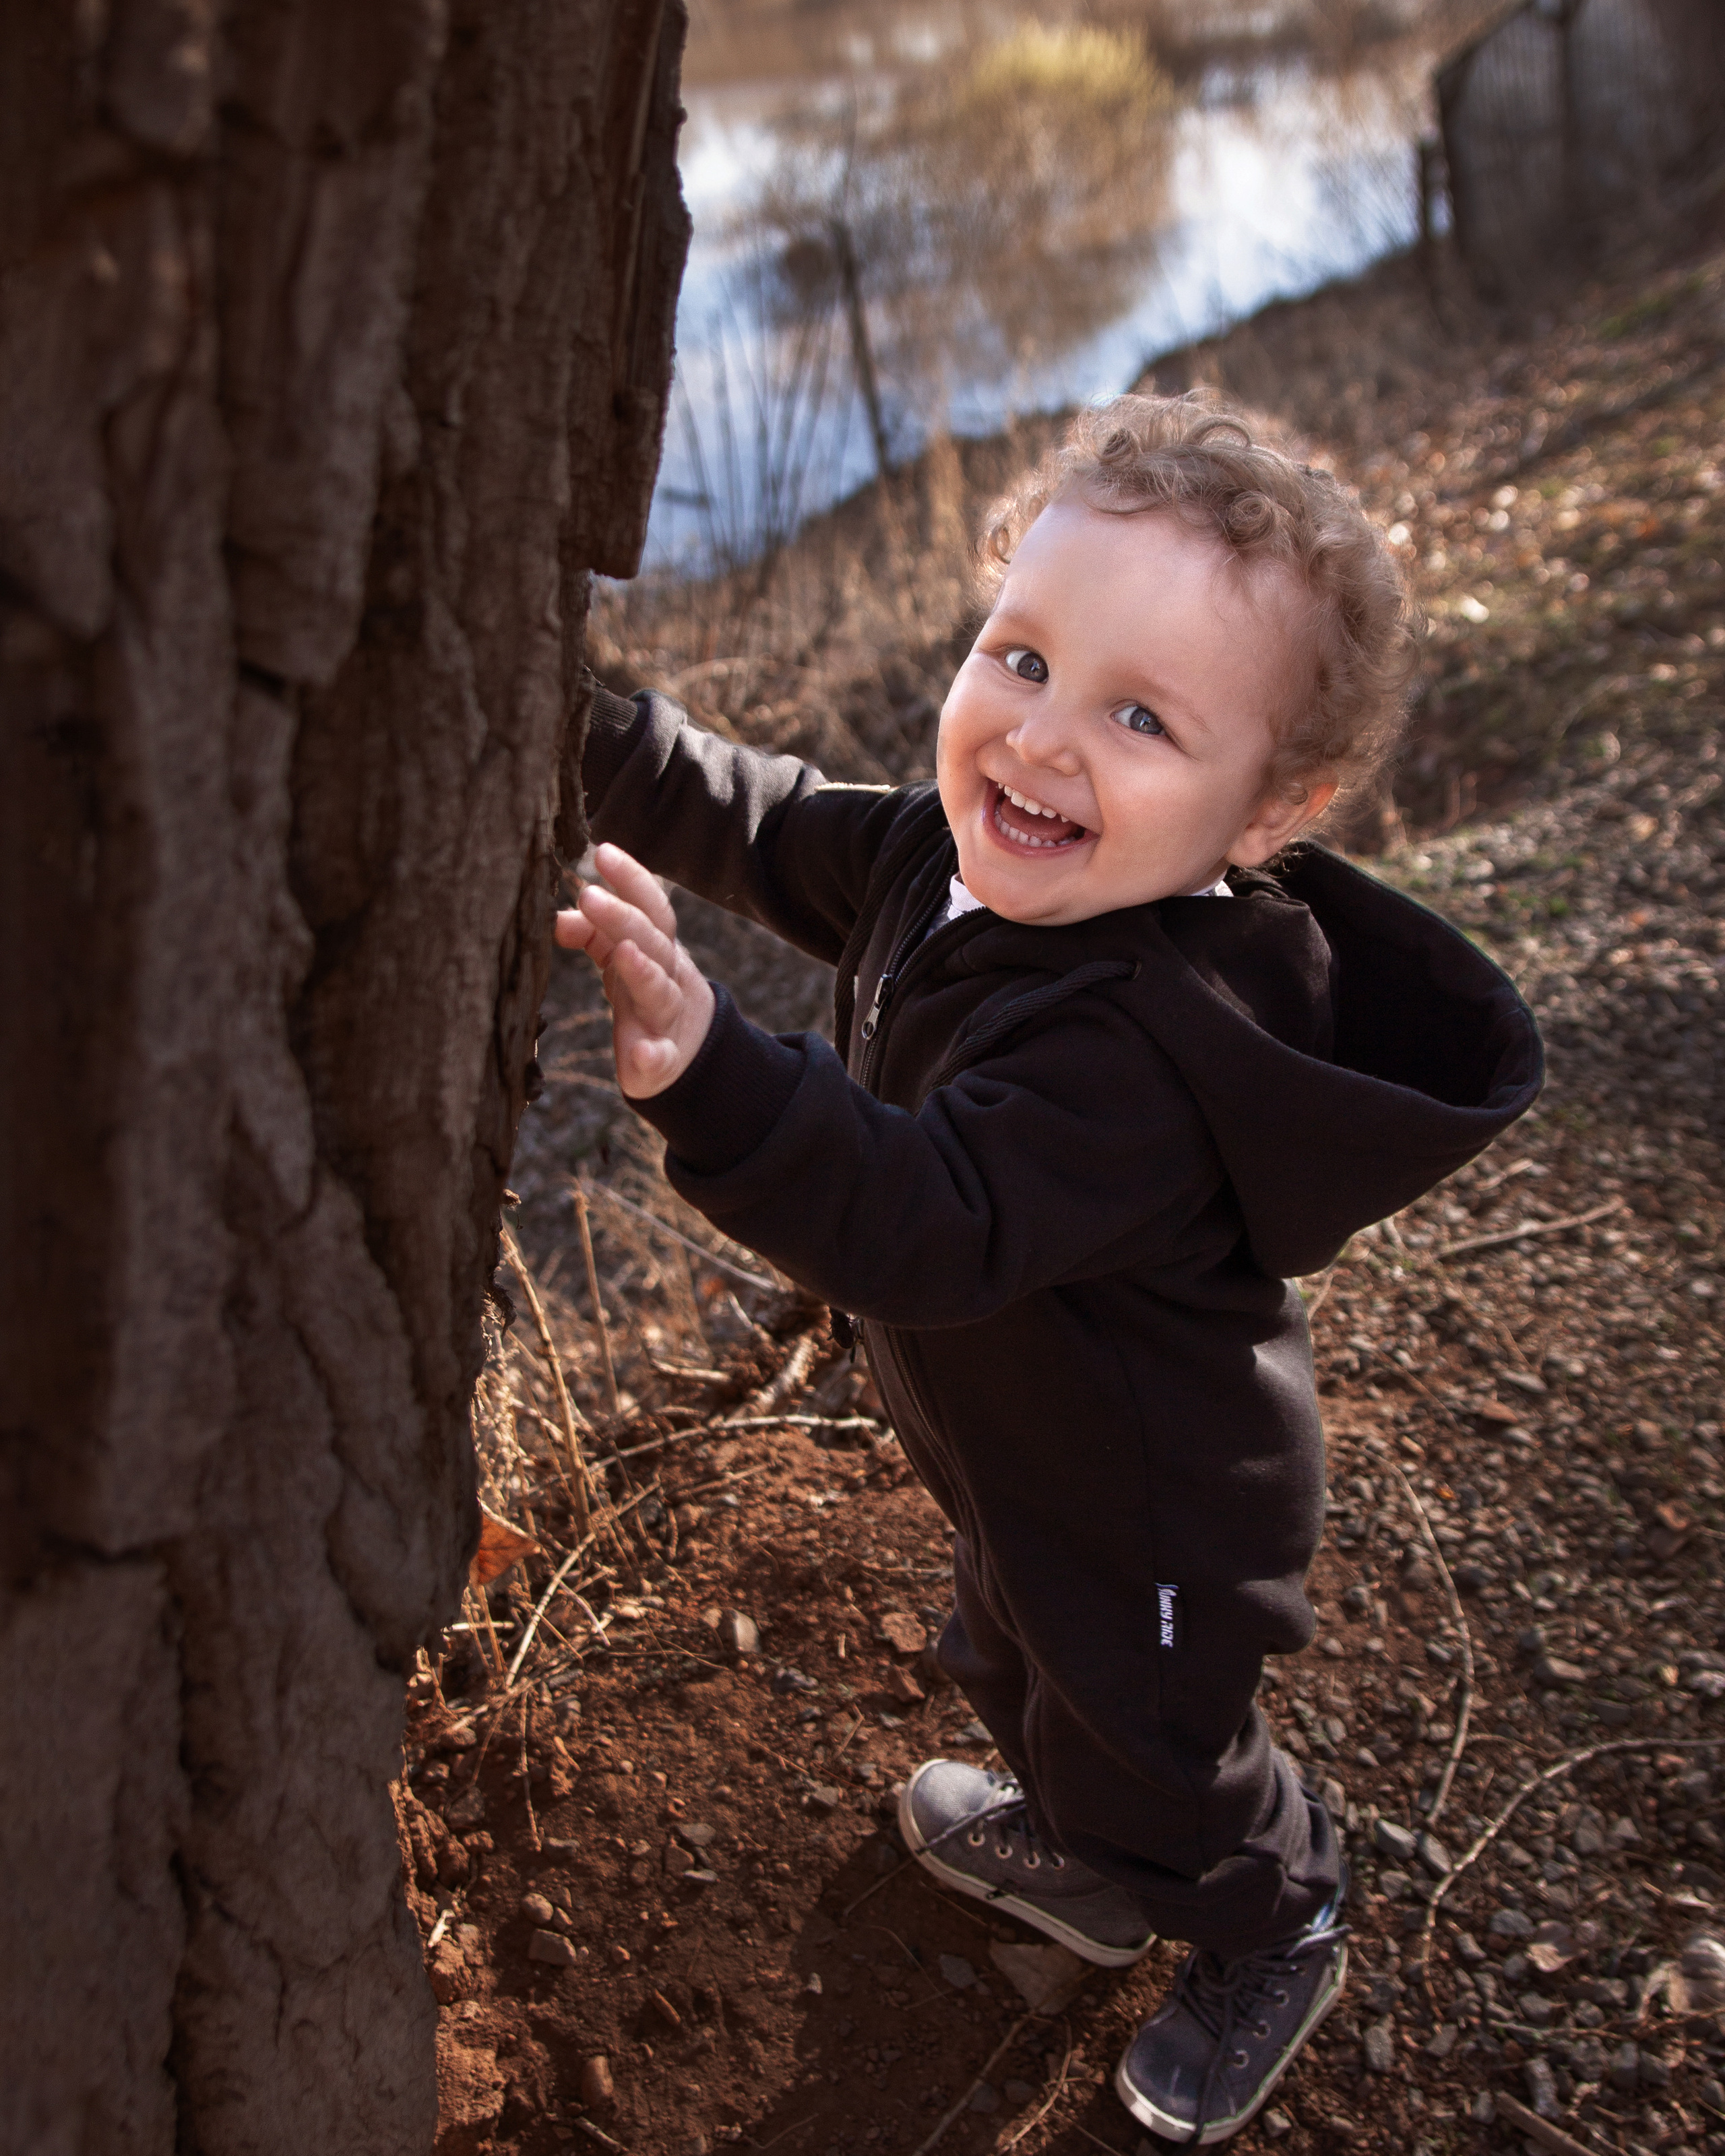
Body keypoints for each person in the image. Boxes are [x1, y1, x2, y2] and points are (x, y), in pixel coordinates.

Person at [553, 396, 1542, 2143]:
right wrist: (591, 740)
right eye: (1022, 655)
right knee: (1007, 1666)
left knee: (1150, 1743)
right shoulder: (952, 855)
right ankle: (1091, 1866)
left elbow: (930, 1218)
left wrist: (718, 1075)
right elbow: (773, 828)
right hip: (1024, 1453)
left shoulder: (1139, 1050)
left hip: (1155, 1508)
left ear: (1270, 810)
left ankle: (1275, 1906)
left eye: (1144, 715)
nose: (1044, 739)